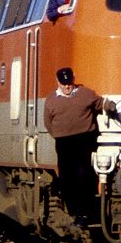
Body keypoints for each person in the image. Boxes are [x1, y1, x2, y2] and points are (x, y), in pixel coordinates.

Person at [43, 67, 113, 226]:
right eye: (63, 83)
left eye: (69, 83)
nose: (67, 87)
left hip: (85, 139)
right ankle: (74, 212)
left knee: (85, 175)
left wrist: (112, 106)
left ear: (73, 80)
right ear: (58, 82)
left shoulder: (85, 93)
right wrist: (59, 134)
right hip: (64, 142)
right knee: (67, 178)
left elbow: (101, 103)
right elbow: (48, 123)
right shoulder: (51, 100)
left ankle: (86, 213)